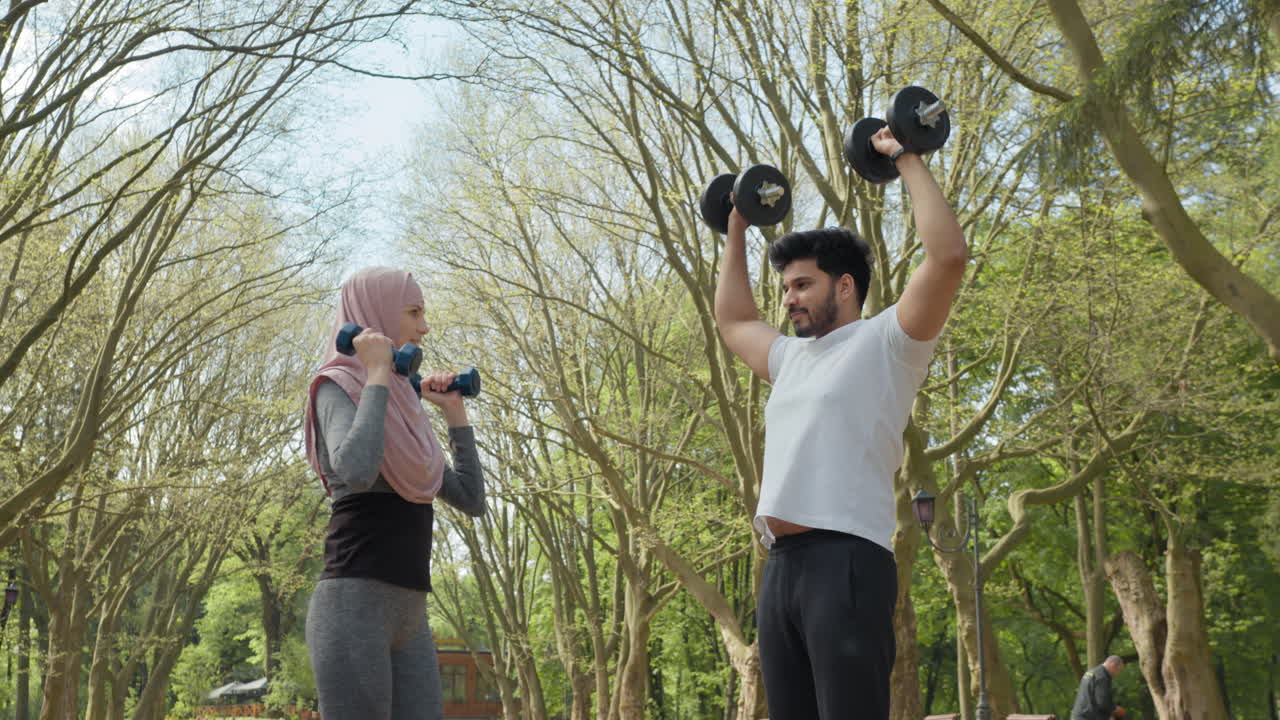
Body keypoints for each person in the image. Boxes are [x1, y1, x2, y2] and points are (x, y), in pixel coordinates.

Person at [713, 126, 967, 720]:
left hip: (848, 562)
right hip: (781, 569)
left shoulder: (888, 342)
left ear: (845, 285)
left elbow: (948, 257)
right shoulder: (789, 358)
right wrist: (736, 228)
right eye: (785, 288)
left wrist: (903, 154)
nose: (789, 299)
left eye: (802, 284)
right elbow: (732, 322)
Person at [303, 267, 486, 720]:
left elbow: (471, 499)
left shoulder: (403, 405)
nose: (425, 326)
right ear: (377, 314)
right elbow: (358, 469)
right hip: (353, 607)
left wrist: (454, 415)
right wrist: (379, 371)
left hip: (410, 613)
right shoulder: (336, 386)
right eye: (414, 311)